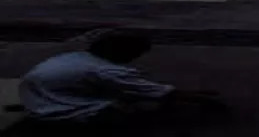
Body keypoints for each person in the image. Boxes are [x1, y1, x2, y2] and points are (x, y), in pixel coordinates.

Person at [17, 30, 224, 131]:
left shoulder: (75, 57)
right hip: (62, 110)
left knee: (129, 96)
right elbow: (158, 91)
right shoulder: (108, 70)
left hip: (37, 99)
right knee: (139, 113)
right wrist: (201, 99)